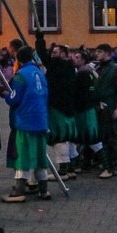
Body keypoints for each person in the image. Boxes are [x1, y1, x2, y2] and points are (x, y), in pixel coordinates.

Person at [1, 45, 50, 202]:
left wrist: (6, 96)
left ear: (18, 59)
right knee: (40, 156)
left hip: (25, 120)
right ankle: (44, 190)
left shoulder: (21, 75)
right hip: (41, 120)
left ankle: (19, 191)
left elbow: (15, 98)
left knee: (22, 156)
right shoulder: (40, 73)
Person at [34, 31, 77, 179]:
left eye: (56, 52)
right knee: (68, 137)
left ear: (64, 54)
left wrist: (40, 40)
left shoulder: (59, 65)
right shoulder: (69, 67)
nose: (52, 54)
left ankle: (63, 170)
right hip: (68, 107)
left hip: (58, 106)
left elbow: (43, 55)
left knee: (60, 137)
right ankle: (71, 167)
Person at [93, 43, 117, 178]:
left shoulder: (115, 70)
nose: (96, 54)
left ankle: (112, 164)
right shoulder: (98, 68)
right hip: (98, 106)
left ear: (106, 53)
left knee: (111, 135)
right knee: (101, 135)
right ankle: (104, 162)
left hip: (110, 104)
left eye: (99, 52)